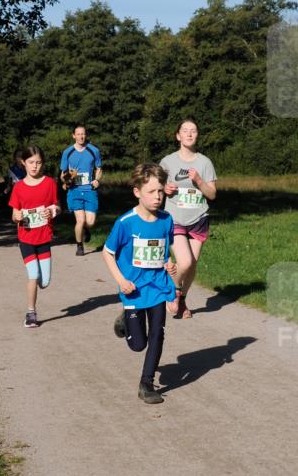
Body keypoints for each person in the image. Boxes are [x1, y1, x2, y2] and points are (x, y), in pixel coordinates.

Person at [103, 163, 178, 405]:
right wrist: (121, 280)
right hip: (133, 289)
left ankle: (146, 383)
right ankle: (125, 321)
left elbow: (164, 250)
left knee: (158, 333)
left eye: (160, 191)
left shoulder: (166, 220)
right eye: (151, 192)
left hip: (157, 286)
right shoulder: (126, 223)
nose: (157, 197)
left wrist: (169, 264)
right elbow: (107, 252)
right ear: (137, 192)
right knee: (138, 344)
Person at [160, 118, 217, 319]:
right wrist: (165, 189)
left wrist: (199, 180)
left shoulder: (205, 162)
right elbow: (157, 188)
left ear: (197, 135)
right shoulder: (167, 162)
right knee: (184, 262)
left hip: (198, 217)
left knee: (192, 264)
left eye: (193, 130)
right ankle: (173, 290)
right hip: (174, 217)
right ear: (178, 136)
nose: (189, 134)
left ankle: (182, 299)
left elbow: (212, 194)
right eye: (185, 131)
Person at [9, 145, 60, 327]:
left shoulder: (50, 183)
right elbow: (14, 214)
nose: (34, 166)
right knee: (33, 274)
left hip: (44, 238)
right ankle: (31, 313)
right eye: (31, 162)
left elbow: (57, 206)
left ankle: (38, 283)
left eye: (38, 162)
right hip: (26, 239)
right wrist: (17, 216)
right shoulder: (19, 187)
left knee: (44, 281)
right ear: (24, 163)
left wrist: (52, 212)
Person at [59, 124, 102, 256]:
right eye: (78, 134)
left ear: (86, 135)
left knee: (90, 222)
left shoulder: (93, 151)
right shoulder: (68, 152)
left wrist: (97, 180)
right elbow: (62, 174)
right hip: (75, 191)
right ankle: (79, 246)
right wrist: (67, 179)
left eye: (83, 134)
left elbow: (99, 169)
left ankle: (85, 230)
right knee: (80, 220)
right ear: (73, 136)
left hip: (89, 190)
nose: (81, 136)